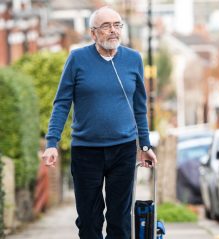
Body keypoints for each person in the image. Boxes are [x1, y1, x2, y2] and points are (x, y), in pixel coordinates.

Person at [41, 6, 157, 239]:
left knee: (120, 221)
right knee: (89, 221)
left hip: (123, 150)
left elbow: (139, 107)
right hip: (86, 151)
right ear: (93, 33)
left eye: (117, 25)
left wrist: (144, 146)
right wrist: (52, 142)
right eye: (106, 26)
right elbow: (62, 102)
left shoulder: (134, 59)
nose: (113, 31)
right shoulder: (77, 58)